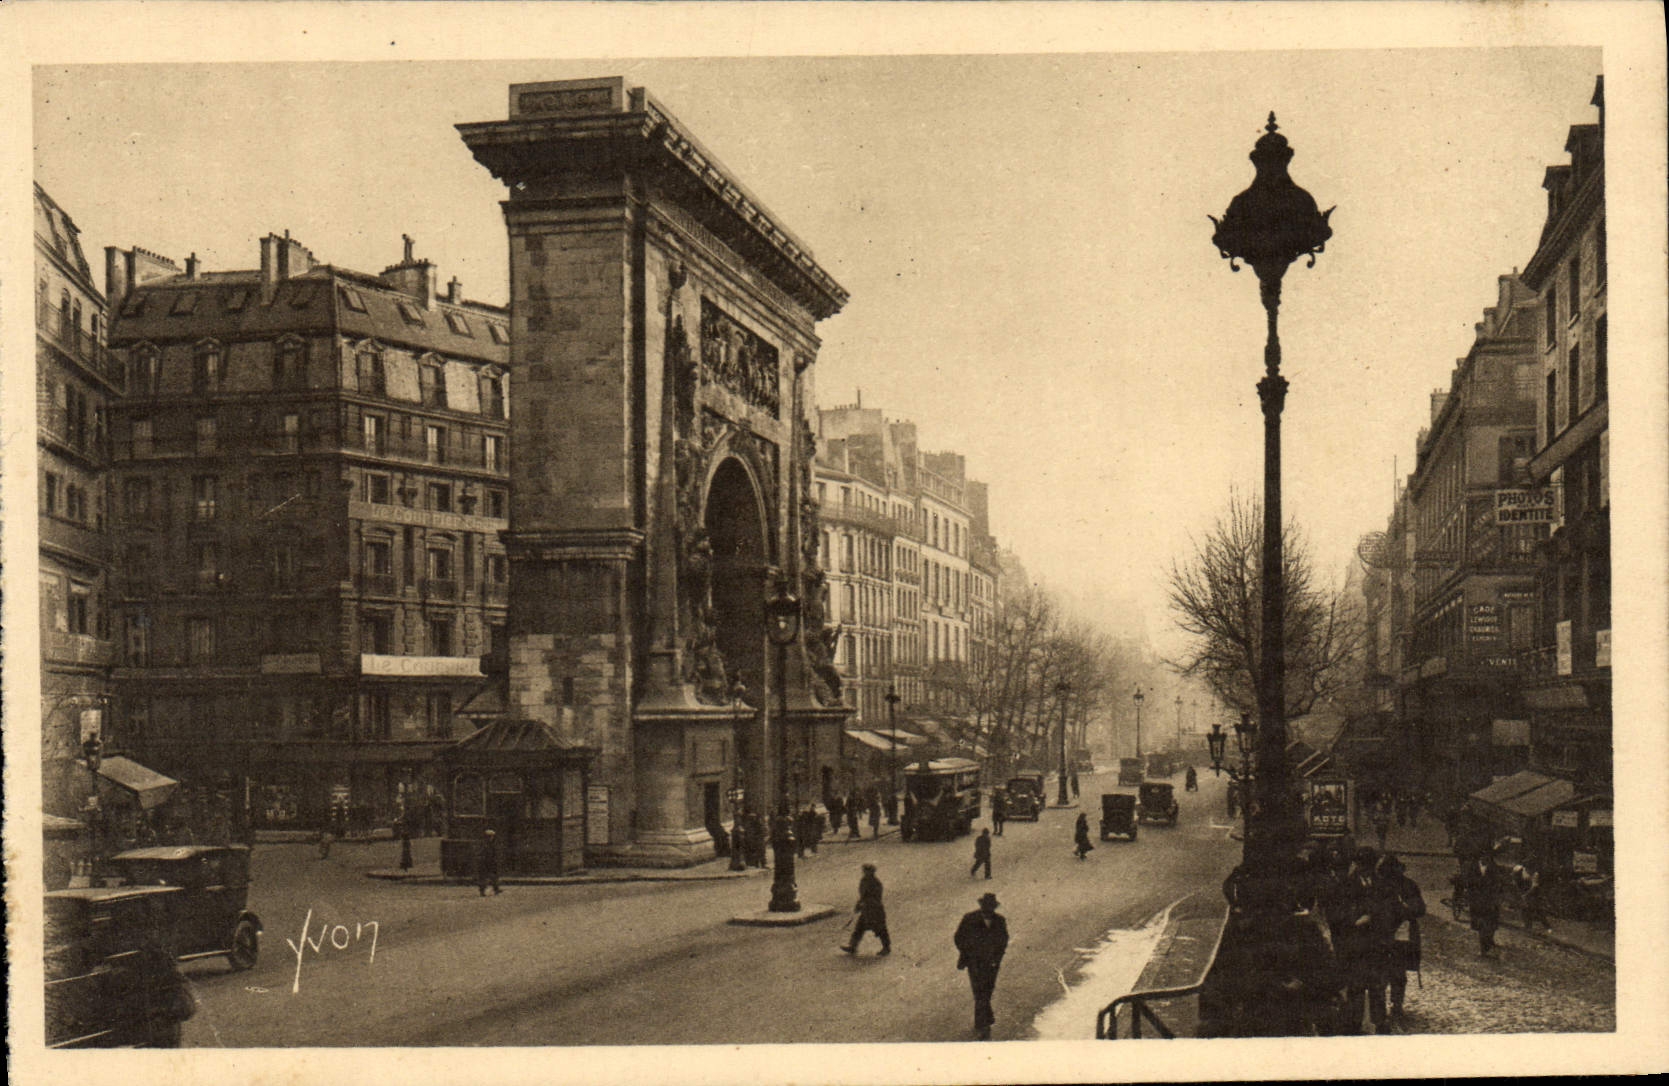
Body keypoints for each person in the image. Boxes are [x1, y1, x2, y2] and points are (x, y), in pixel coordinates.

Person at [1326, 846, 1393, 1035]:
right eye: (1362, 865)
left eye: (1369, 866)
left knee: (1377, 986)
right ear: (1356, 865)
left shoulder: (1382, 884)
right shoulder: (1345, 886)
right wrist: (1354, 922)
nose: (1366, 869)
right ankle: (1354, 1024)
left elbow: (1390, 910)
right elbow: (1335, 915)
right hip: (1354, 945)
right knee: (1356, 986)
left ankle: (1379, 1021)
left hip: (1377, 945)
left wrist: (1375, 918)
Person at [1376, 852, 1425, 1022]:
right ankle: (1382, 1006)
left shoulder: (1408, 886)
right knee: (1382, 972)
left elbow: (1420, 909)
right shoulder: (1377, 886)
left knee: (1397, 972)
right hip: (1381, 935)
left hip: (1401, 936)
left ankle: (1396, 1005)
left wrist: (1405, 908)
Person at [954, 892, 1009, 1040]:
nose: (988, 910)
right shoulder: (970, 919)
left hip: (991, 964)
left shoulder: (999, 921)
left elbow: (1003, 941)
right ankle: (984, 1025)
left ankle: (983, 1021)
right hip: (974, 962)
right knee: (980, 992)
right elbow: (959, 937)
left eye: (991, 908)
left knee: (986, 992)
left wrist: (997, 958)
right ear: (982, 906)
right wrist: (967, 952)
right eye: (986, 907)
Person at [1458, 849, 1506, 956]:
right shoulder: (1472, 867)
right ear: (1480, 858)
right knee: (1481, 926)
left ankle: (1488, 943)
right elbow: (1468, 882)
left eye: (1488, 858)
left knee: (1491, 925)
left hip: (1490, 901)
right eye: (1484, 857)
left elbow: (1498, 883)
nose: (1486, 860)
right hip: (1477, 901)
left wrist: (1497, 896)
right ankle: (1484, 948)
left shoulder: (1493, 868)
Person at [842, 863, 891, 956]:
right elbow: (862, 896)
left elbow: (876, 898)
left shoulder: (876, 883)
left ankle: (886, 947)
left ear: (872, 872)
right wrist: (858, 905)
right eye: (864, 871)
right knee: (859, 928)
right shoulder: (863, 881)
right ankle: (853, 946)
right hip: (866, 910)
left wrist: (864, 904)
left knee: (880, 929)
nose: (864, 872)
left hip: (875, 911)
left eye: (867, 871)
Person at [1512, 858, 1551, 931]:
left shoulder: (1535, 874)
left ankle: (1547, 927)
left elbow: (1534, 886)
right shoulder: (1519, 870)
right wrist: (1520, 892)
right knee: (1524, 908)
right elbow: (1515, 880)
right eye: (1527, 867)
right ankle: (1528, 925)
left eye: (1530, 868)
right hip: (1523, 890)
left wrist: (1526, 895)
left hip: (1533, 893)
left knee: (1537, 909)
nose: (1529, 869)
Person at [476, 828, 501, 896]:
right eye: (490, 836)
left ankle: (496, 889)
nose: (491, 838)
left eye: (492, 836)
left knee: (494, 876)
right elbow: (480, 853)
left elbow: (495, 853)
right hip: (484, 863)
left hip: (491, 862)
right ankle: (482, 890)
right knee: (483, 877)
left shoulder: (492, 844)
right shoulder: (483, 845)